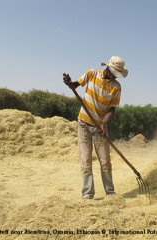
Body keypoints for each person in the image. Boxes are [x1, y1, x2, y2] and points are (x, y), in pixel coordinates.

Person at [63, 56, 128, 199]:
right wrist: (69, 83)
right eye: (114, 72)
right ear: (109, 68)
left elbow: (111, 109)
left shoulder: (116, 87)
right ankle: (87, 194)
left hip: (100, 127)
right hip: (83, 124)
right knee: (85, 161)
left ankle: (110, 193)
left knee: (105, 161)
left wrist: (103, 124)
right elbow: (75, 85)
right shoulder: (92, 73)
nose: (114, 76)